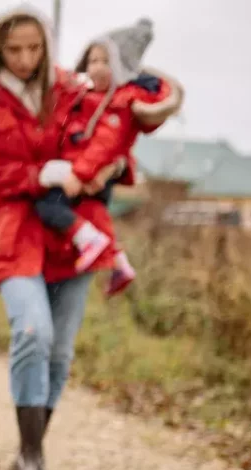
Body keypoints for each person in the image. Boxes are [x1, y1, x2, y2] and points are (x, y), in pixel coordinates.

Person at [0, 7, 178, 470]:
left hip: (74, 232)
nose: (26, 58)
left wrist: (116, 164)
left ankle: (33, 449)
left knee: (60, 351)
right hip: (13, 232)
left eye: (34, 48)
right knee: (33, 332)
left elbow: (118, 117)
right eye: (14, 49)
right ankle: (30, 455)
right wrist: (42, 175)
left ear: (46, 46)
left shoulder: (71, 86)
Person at [34, 17, 183, 295]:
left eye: (105, 61)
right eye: (92, 61)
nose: (97, 68)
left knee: (48, 207)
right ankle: (118, 262)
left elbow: (104, 145)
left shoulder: (117, 105)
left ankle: (89, 241)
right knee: (94, 214)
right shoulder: (85, 97)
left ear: (121, 68)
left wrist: (80, 175)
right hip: (85, 172)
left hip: (84, 174)